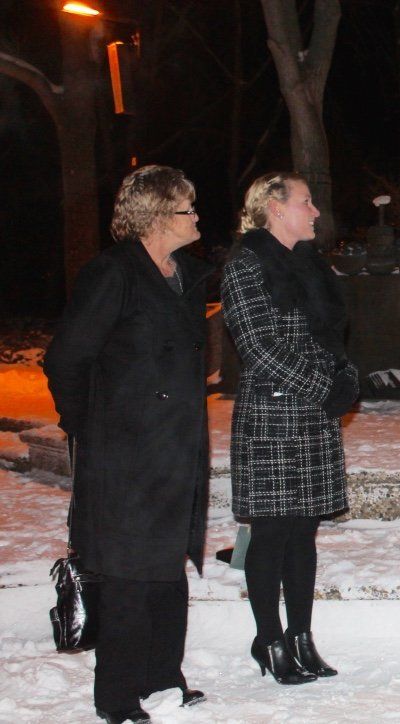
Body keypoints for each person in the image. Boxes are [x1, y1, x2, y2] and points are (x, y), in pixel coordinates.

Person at [44, 165, 210, 723]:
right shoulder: (113, 273)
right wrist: (87, 426)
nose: (196, 217)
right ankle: (117, 696)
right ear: (158, 216)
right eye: (187, 209)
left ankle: (163, 675)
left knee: (166, 567)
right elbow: (67, 358)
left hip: (175, 447)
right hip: (125, 450)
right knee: (125, 571)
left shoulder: (187, 273)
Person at [222, 172, 358, 685]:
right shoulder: (245, 266)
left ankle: (301, 636)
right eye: (306, 202)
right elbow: (258, 348)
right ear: (275, 208)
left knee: (305, 533)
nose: (316, 211)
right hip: (273, 417)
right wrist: (324, 387)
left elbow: (331, 337)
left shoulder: (311, 265)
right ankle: (269, 639)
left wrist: (345, 375)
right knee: (272, 533)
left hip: (313, 417)